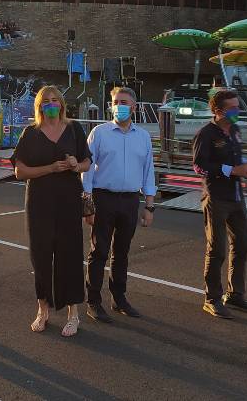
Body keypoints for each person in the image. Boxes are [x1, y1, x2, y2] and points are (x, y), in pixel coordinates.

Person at [12, 86, 91, 337]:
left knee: (70, 254)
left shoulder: (74, 129)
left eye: (55, 100)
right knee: (41, 255)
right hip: (39, 202)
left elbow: (87, 162)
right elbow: (20, 171)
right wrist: (50, 168)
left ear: (62, 103)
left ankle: (73, 313)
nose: (51, 104)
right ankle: (43, 309)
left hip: (68, 201)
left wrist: (75, 165)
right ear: (39, 106)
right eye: (46, 101)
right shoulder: (31, 133)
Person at [81, 87, 156, 323]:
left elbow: (148, 172)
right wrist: (87, 205)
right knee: (99, 251)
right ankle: (93, 301)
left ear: (134, 107)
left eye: (124, 102)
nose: (119, 106)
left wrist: (150, 206)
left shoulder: (142, 136)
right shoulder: (99, 133)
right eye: (115, 102)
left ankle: (119, 298)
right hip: (104, 198)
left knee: (121, 252)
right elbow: (86, 171)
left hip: (130, 200)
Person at [191, 90, 247, 319]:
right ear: (217, 111)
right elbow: (199, 166)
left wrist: (246, 168)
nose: (236, 111)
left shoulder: (236, 131)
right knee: (217, 249)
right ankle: (211, 298)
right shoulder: (206, 134)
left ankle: (235, 294)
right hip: (216, 197)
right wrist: (231, 170)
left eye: (237, 107)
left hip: (236, 197)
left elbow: (237, 159)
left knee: (242, 245)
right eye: (231, 108)